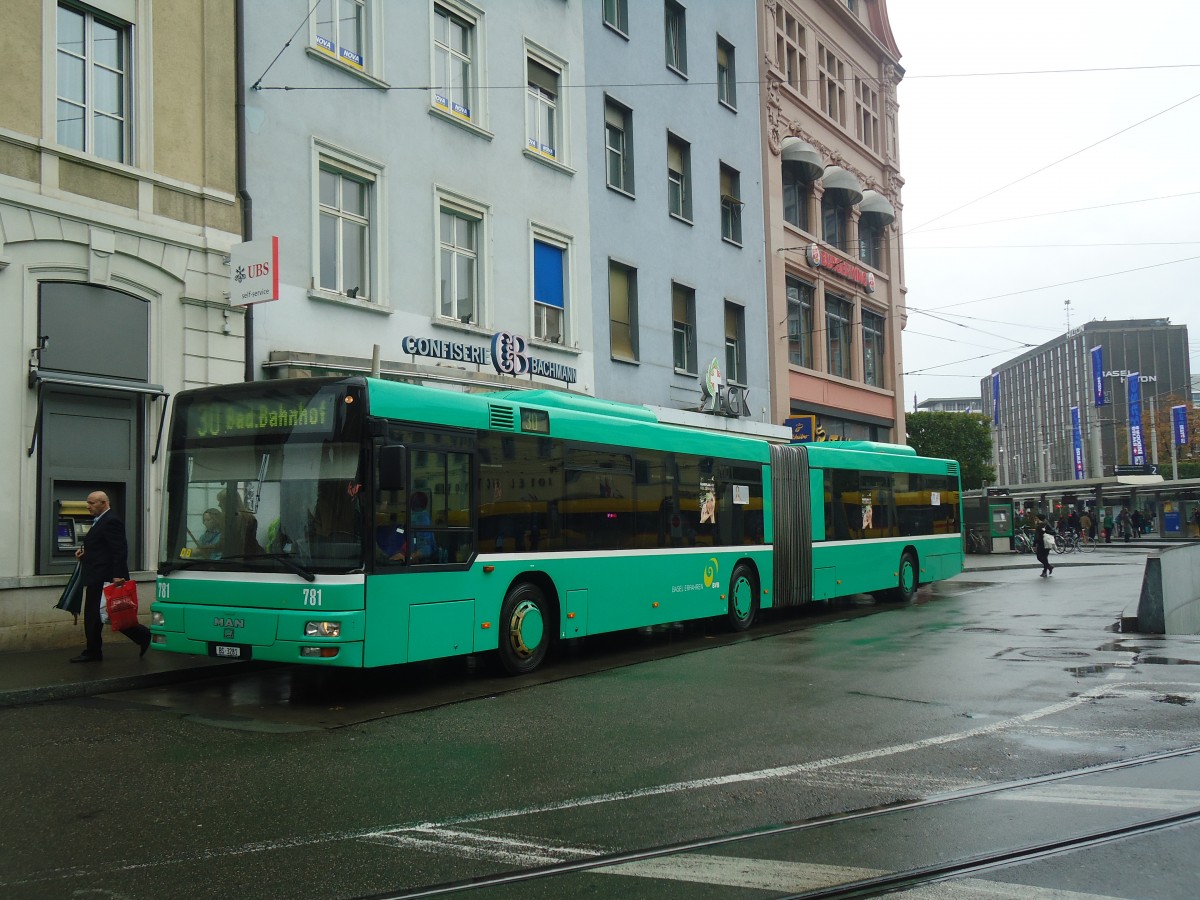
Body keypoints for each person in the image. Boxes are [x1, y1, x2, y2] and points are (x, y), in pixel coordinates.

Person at [71, 491, 150, 662]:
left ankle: (95, 651)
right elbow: (102, 550)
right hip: (97, 574)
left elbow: (119, 550)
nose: (88, 506)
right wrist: (84, 555)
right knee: (102, 614)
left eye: (92, 503)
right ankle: (95, 650)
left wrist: (118, 575)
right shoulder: (101, 520)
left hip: (106, 577)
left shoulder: (111, 520)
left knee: (106, 614)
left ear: (104, 503)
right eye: (88, 502)